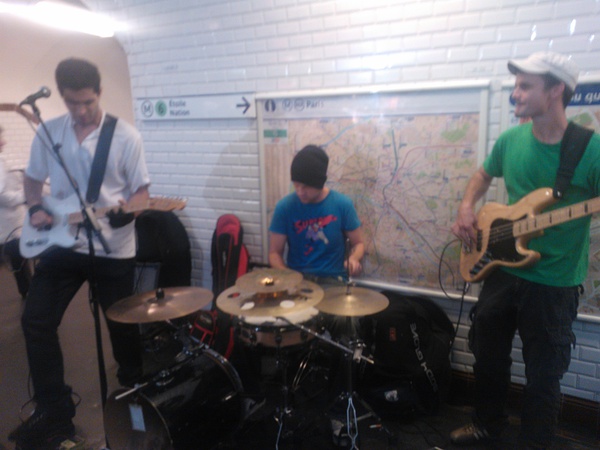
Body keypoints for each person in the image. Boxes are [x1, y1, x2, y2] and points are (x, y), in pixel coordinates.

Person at [450, 52, 599, 449]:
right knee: (487, 356)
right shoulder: (510, 140)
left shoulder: (591, 150)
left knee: (544, 375)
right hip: (501, 269)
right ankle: (487, 424)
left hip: (554, 283)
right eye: (515, 85)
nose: (515, 93)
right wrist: (466, 207)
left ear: (555, 91)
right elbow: (483, 175)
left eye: (525, 86)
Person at [9, 58, 150, 448]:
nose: (81, 110)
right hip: (63, 244)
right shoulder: (49, 132)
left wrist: (130, 212)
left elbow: (142, 193)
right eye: (73, 103)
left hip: (113, 248)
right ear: (62, 97)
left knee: (123, 327)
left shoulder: (125, 137)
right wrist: (35, 208)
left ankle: (136, 395)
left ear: (99, 93)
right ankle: (54, 413)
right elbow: (33, 181)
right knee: (36, 321)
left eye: (88, 102)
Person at [269, 144, 365, 283]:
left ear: (320, 183)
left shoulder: (343, 204)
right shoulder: (284, 207)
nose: (300, 192)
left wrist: (353, 259)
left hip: (333, 280)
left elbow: (358, 243)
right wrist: (288, 276)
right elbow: (274, 253)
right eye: (296, 185)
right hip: (298, 280)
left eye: (306, 186)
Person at [0, 125, 31, 298]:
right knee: (19, 260)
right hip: (8, 227)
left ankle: (28, 291)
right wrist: (24, 196)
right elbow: (1, 195)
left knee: (19, 262)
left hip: (9, 227)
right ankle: (29, 292)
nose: (3, 142)